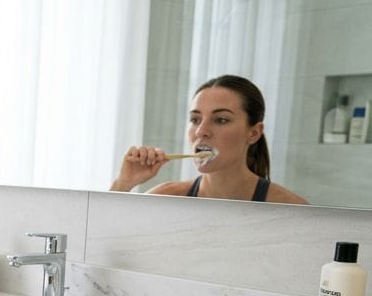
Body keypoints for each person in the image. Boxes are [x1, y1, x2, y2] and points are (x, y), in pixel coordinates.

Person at [110, 74, 308, 204]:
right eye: (195, 119)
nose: (201, 131)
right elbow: (96, 244)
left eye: (221, 120)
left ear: (254, 133)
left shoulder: (290, 208)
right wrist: (123, 184)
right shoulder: (165, 199)